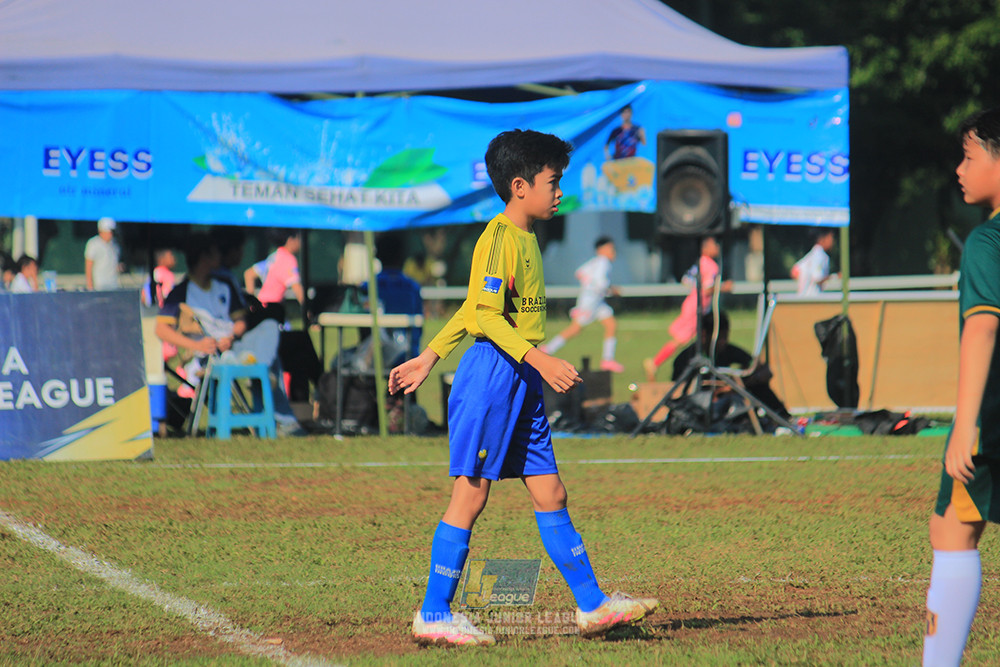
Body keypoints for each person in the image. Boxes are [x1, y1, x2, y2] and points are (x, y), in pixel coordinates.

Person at [388, 129, 658, 647]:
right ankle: (433, 613)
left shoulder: (526, 237)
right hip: (493, 376)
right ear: (519, 186)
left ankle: (592, 606)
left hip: (520, 377)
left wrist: (428, 355)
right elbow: (485, 317)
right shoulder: (497, 239)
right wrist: (535, 357)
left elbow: (473, 308)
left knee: (550, 490)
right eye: (553, 181)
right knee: (470, 494)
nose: (560, 191)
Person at [922, 107, 1000, 666]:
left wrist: (965, 424)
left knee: (952, 530)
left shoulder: (986, 243)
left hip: (993, 424)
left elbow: (982, 325)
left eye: (970, 157)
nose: (958, 169)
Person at [155, 234, 303, 436]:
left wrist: (231, 337)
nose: (220, 258)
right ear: (204, 258)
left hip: (234, 344)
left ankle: (258, 366)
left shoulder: (222, 285)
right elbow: (161, 330)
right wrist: (197, 345)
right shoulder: (181, 292)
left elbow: (241, 321)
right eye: (215, 254)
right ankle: (273, 399)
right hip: (209, 353)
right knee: (270, 360)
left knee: (269, 324)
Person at [671, 311, 790, 422]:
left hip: (728, 398)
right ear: (704, 335)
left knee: (759, 387)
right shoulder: (686, 358)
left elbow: (764, 370)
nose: (723, 342)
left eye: (725, 337)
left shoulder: (728, 350)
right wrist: (719, 391)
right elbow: (679, 392)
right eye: (720, 338)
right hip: (701, 405)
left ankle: (783, 417)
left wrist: (744, 382)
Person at [643, 236, 732, 382]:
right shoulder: (710, 265)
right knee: (683, 339)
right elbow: (708, 289)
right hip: (697, 306)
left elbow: (686, 280)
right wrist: (724, 287)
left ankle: (658, 363)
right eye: (714, 244)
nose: (717, 247)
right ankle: (655, 362)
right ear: (705, 248)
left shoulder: (700, 262)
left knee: (694, 338)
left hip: (694, 303)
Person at [540, 236, 624, 372]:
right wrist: (611, 290)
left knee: (611, 324)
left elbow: (579, 273)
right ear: (603, 249)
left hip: (597, 301)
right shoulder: (603, 262)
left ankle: (608, 360)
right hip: (590, 301)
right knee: (575, 328)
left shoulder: (595, 262)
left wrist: (589, 284)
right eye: (611, 248)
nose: (614, 252)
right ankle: (547, 349)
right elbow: (601, 283)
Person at [361, 232, 424, 361]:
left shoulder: (368, 286)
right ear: (403, 256)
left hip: (375, 356)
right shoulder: (413, 287)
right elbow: (419, 327)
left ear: (377, 255)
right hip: (407, 355)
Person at [252, 229, 307, 326]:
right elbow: (296, 287)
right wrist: (307, 310)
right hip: (271, 309)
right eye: (299, 239)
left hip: (262, 306)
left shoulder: (275, 256)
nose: (301, 243)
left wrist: (251, 302)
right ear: (291, 240)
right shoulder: (288, 259)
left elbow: (249, 274)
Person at [791, 228, 836, 295]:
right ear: (823, 239)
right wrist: (835, 277)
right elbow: (818, 278)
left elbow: (794, 272)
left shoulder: (811, 255)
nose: (833, 241)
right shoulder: (821, 256)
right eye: (831, 238)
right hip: (812, 299)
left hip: (802, 298)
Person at [84, 217, 122, 291]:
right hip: (99, 286)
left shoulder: (115, 245)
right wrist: (90, 286)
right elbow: (88, 266)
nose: (110, 234)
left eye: (111, 232)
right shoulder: (93, 244)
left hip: (113, 285)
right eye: (108, 231)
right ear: (101, 230)